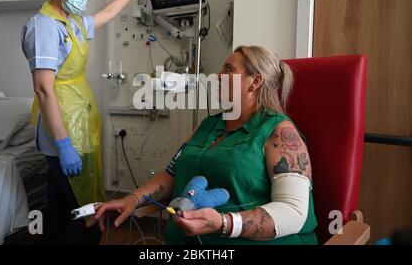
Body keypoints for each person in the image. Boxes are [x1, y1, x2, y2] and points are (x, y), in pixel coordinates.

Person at [88, 45, 318, 245]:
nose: (218, 75)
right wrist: (132, 199)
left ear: (255, 81)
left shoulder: (280, 133)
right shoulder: (208, 125)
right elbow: (171, 175)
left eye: (229, 70)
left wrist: (224, 223)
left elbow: (293, 212)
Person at [20, 0, 149, 245]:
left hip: (80, 121)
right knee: (91, 211)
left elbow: (105, 14)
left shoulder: (74, 23)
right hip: (63, 128)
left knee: (62, 206)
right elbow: (43, 89)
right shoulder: (44, 26)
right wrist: (63, 144)